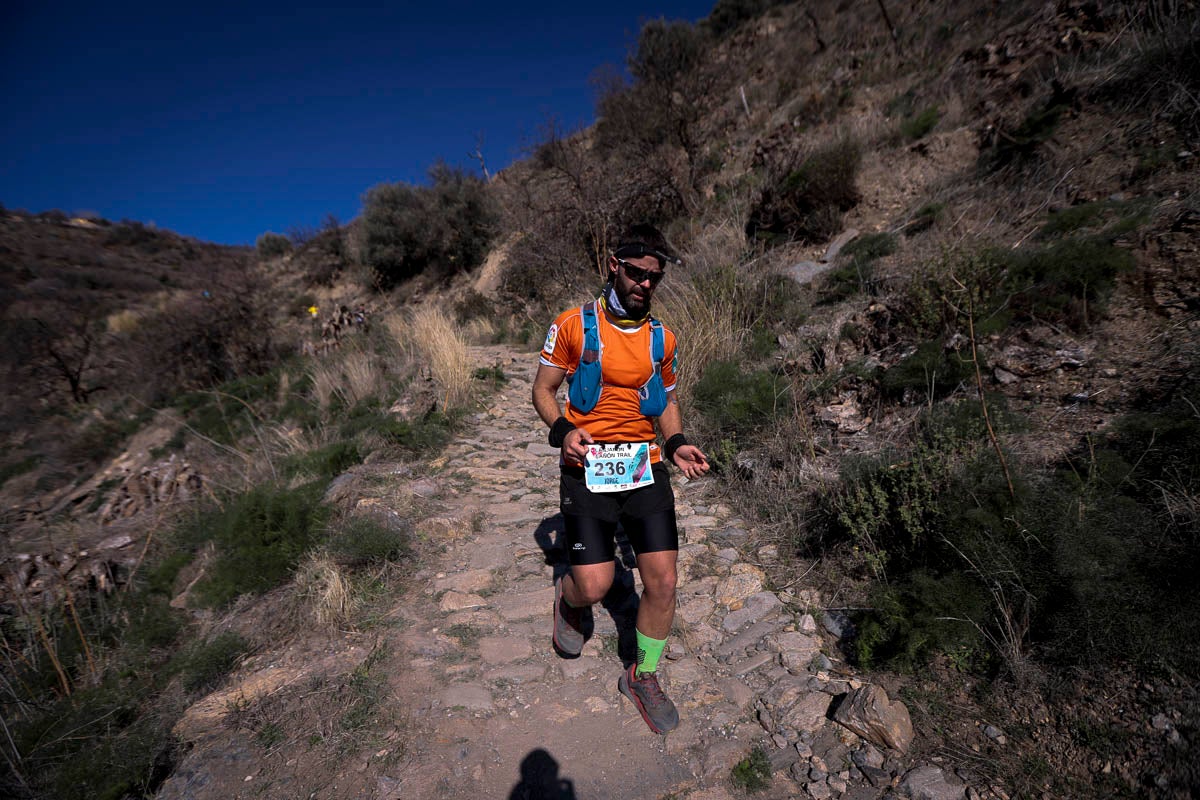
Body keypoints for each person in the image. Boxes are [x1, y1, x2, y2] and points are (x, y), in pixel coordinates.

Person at [531, 223, 710, 734]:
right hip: (587, 465)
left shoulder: (663, 338)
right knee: (595, 584)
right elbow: (543, 390)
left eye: (654, 278)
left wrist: (674, 444)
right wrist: (563, 430)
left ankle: (642, 674)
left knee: (664, 581)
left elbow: (668, 402)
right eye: (635, 273)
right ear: (615, 265)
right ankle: (570, 602)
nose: (644, 284)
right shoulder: (572, 324)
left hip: (643, 464)